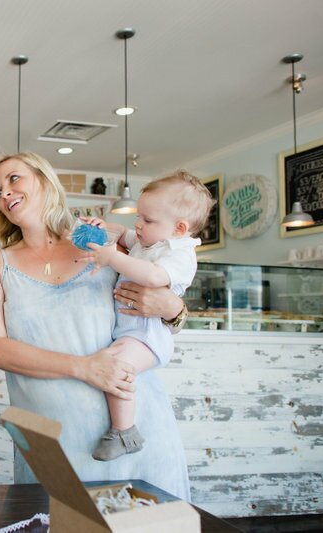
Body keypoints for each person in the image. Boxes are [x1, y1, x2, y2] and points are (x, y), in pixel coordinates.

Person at [0, 152, 191, 499]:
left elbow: (159, 304)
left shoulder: (102, 242)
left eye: (14, 179)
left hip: (137, 432)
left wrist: (176, 309)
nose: (5, 194)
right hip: (52, 442)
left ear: (45, 182)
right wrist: (83, 368)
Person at [79, 171, 213, 461]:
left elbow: (153, 276)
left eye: (148, 220)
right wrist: (108, 228)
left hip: (148, 336)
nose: (138, 225)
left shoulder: (180, 254)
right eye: (139, 216)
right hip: (131, 333)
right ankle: (122, 429)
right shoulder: (148, 241)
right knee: (111, 366)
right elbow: (124, 235)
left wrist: (112, 257)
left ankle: (125, 432)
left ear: (179, 228)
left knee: (116, 369)